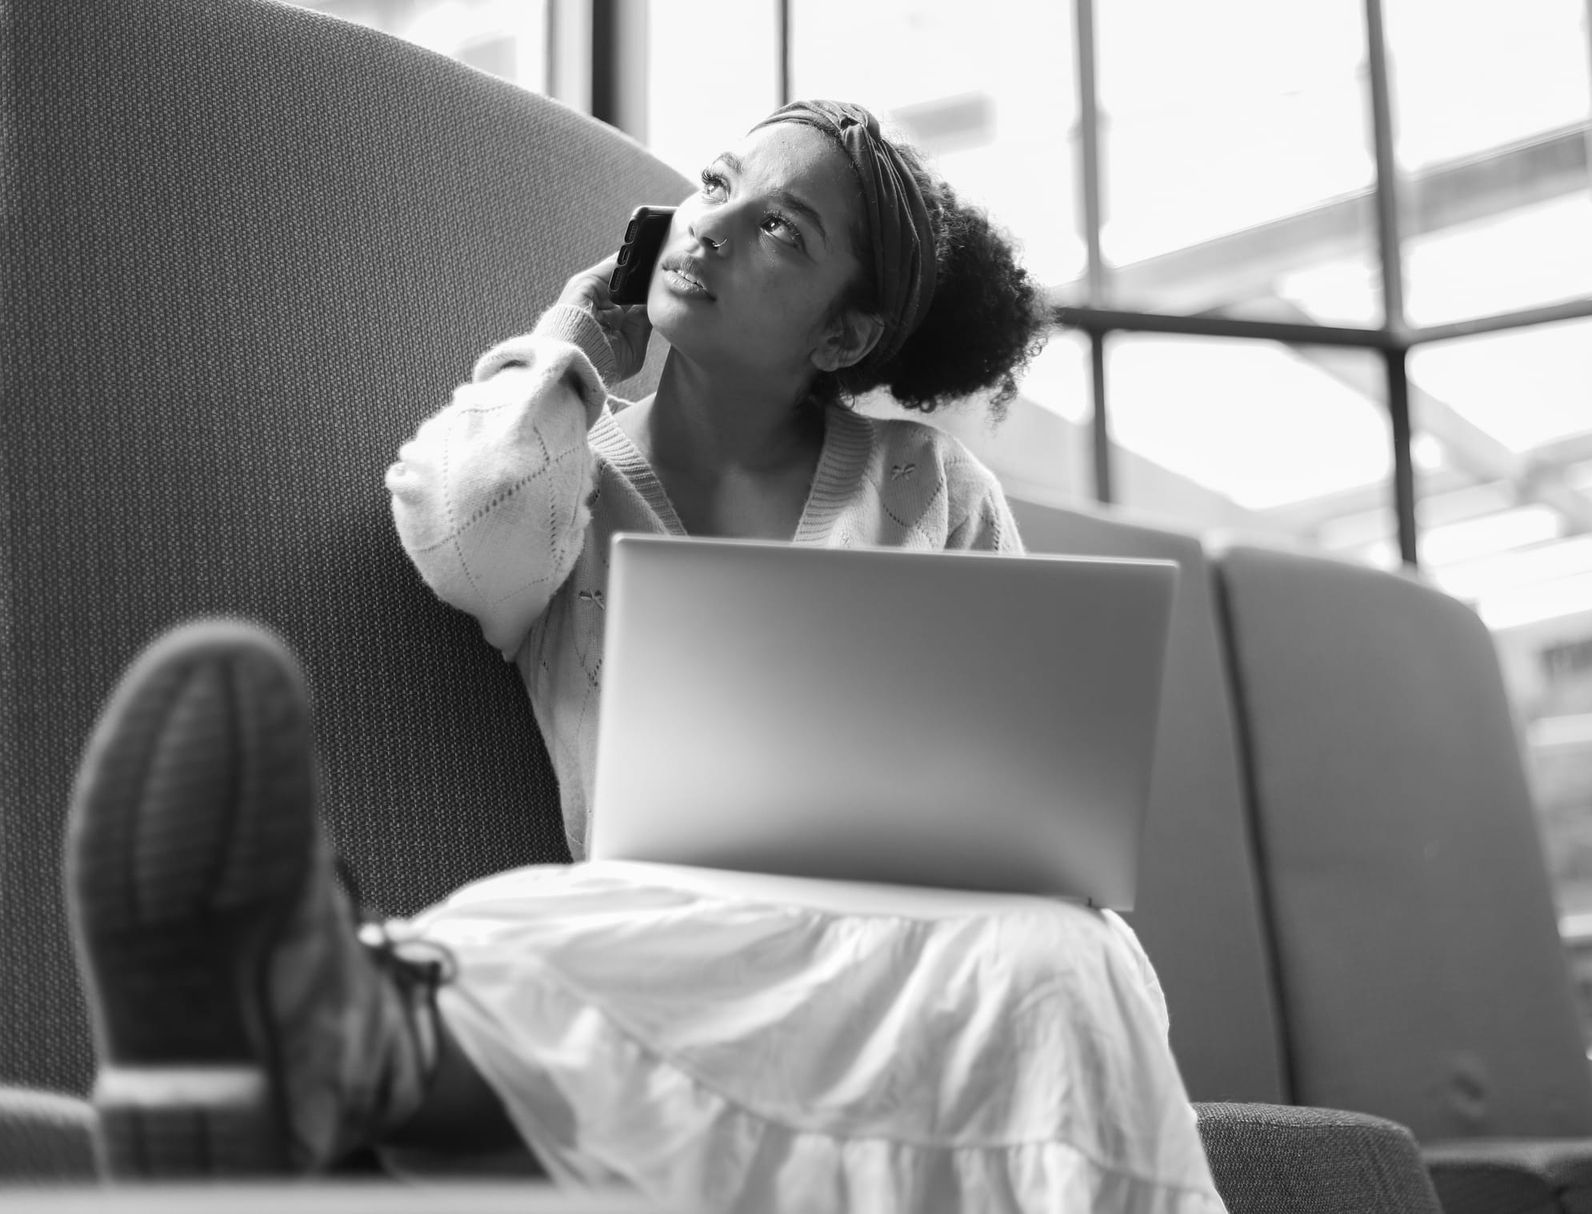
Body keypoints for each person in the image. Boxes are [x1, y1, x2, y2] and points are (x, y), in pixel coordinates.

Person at [64, 101, 1225, 1212]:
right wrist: (564, 351)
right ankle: (317, 1033)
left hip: (924, 956)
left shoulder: (929, 485)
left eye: (779, 228)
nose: (707, 226)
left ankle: (350, 1031)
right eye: (715, 184)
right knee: (582, 926)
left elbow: (1028, 806)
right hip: (671, 932)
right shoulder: (561, 478)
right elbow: (465, 525)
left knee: (1073, 950)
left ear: (842, 333)